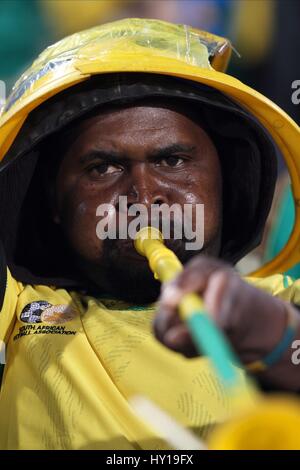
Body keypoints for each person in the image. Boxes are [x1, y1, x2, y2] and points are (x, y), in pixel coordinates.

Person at [0, 18, 299, 450]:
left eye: (173, 161)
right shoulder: (20, 306)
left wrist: (270, 332)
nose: (143, 197)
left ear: (225, 180)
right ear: (53, 204)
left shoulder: (279, 303)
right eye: (102, 168)